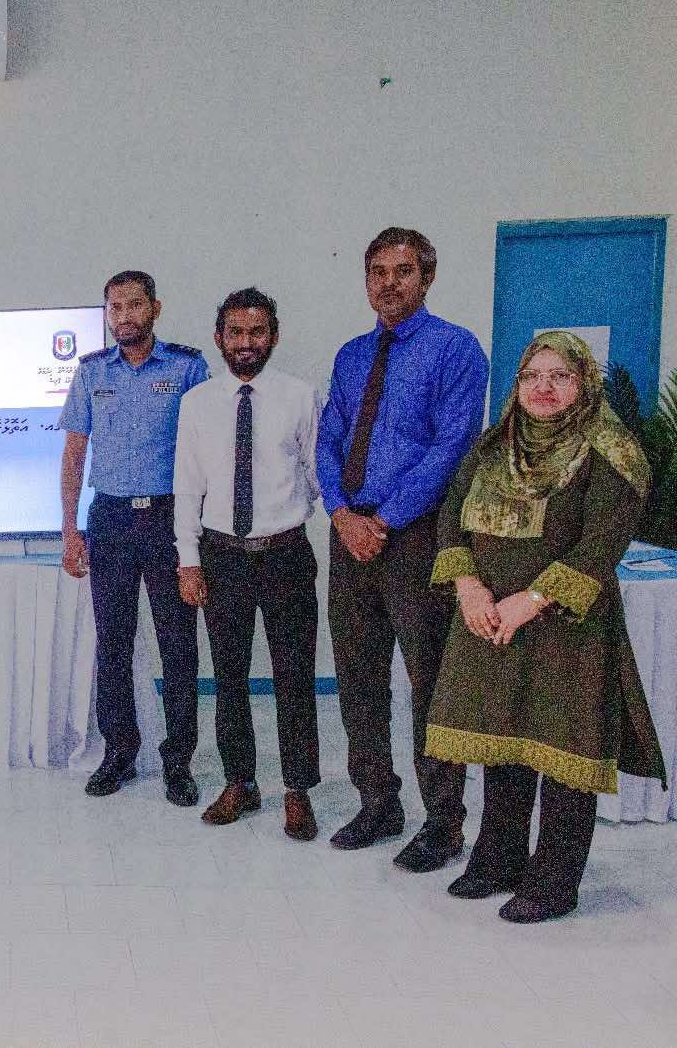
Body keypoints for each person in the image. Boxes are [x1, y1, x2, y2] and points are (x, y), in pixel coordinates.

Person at [425, 331, 665, 922]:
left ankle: (555, 881)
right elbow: (451, 520)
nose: (544, 388)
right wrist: (470, 587)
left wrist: (527, 602)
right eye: (532, 376)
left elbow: (600, 545)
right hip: (489, 617)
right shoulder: (493, 446)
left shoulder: (612, 450)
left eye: (560, 376)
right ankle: (498, 857)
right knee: (502, 739)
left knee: (563, 750)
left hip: (568, 629)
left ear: (584, 382)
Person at [316, 227, 489, 872]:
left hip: (416, 538)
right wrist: (340, 513)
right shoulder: (351, 355)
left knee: (429, 682)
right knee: (358, 679)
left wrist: (384, 520)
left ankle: (443, 822)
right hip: (349, 536)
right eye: (377, 272)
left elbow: (451, 449)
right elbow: (329, 438)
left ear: (428, 277)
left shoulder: (456, 349)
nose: (388, 284)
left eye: (403, 271)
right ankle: (378, 803)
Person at [174, 287, 323, 840]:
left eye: (256, 332)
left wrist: (286, 517)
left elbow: (316, 474)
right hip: (222, 559)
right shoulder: (198, 403)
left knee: (294, 677)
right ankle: (240, 782)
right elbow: (187, 486)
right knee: (230, 677)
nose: (245, 342)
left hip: (285, 556)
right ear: (219, 338)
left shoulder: (300, 396)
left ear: (273, 337)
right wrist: (189, 561)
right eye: (235, 332)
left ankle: (297, 790)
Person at [60, 269, 209, 805]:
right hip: (111, 521)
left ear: (155, 309)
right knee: (114, 643)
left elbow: (205, 450)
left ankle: (179, 761)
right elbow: (75, 453)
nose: (124, 316)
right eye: (115, 307)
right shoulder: (91, 372)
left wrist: (199, 535)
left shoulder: (188, 367)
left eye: (134, 305)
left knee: (178, 645)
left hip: (169, 520)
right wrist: (70, 529)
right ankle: (119, 752)